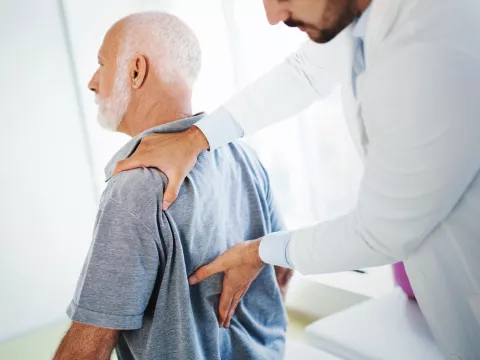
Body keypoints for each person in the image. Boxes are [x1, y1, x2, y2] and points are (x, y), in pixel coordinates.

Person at [113, 0, 480, 358]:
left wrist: (259, 252)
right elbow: (306, 71)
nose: (274, 16)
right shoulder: (367, 19)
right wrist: (196, 138)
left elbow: (379, 233)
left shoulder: (431, 43)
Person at [54, 12, 291, 360]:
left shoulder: (136, 187)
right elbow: (282, 270)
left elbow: (90, 346)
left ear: (136, 71)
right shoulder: (243, 155)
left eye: (101, 65)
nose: (92, 82)